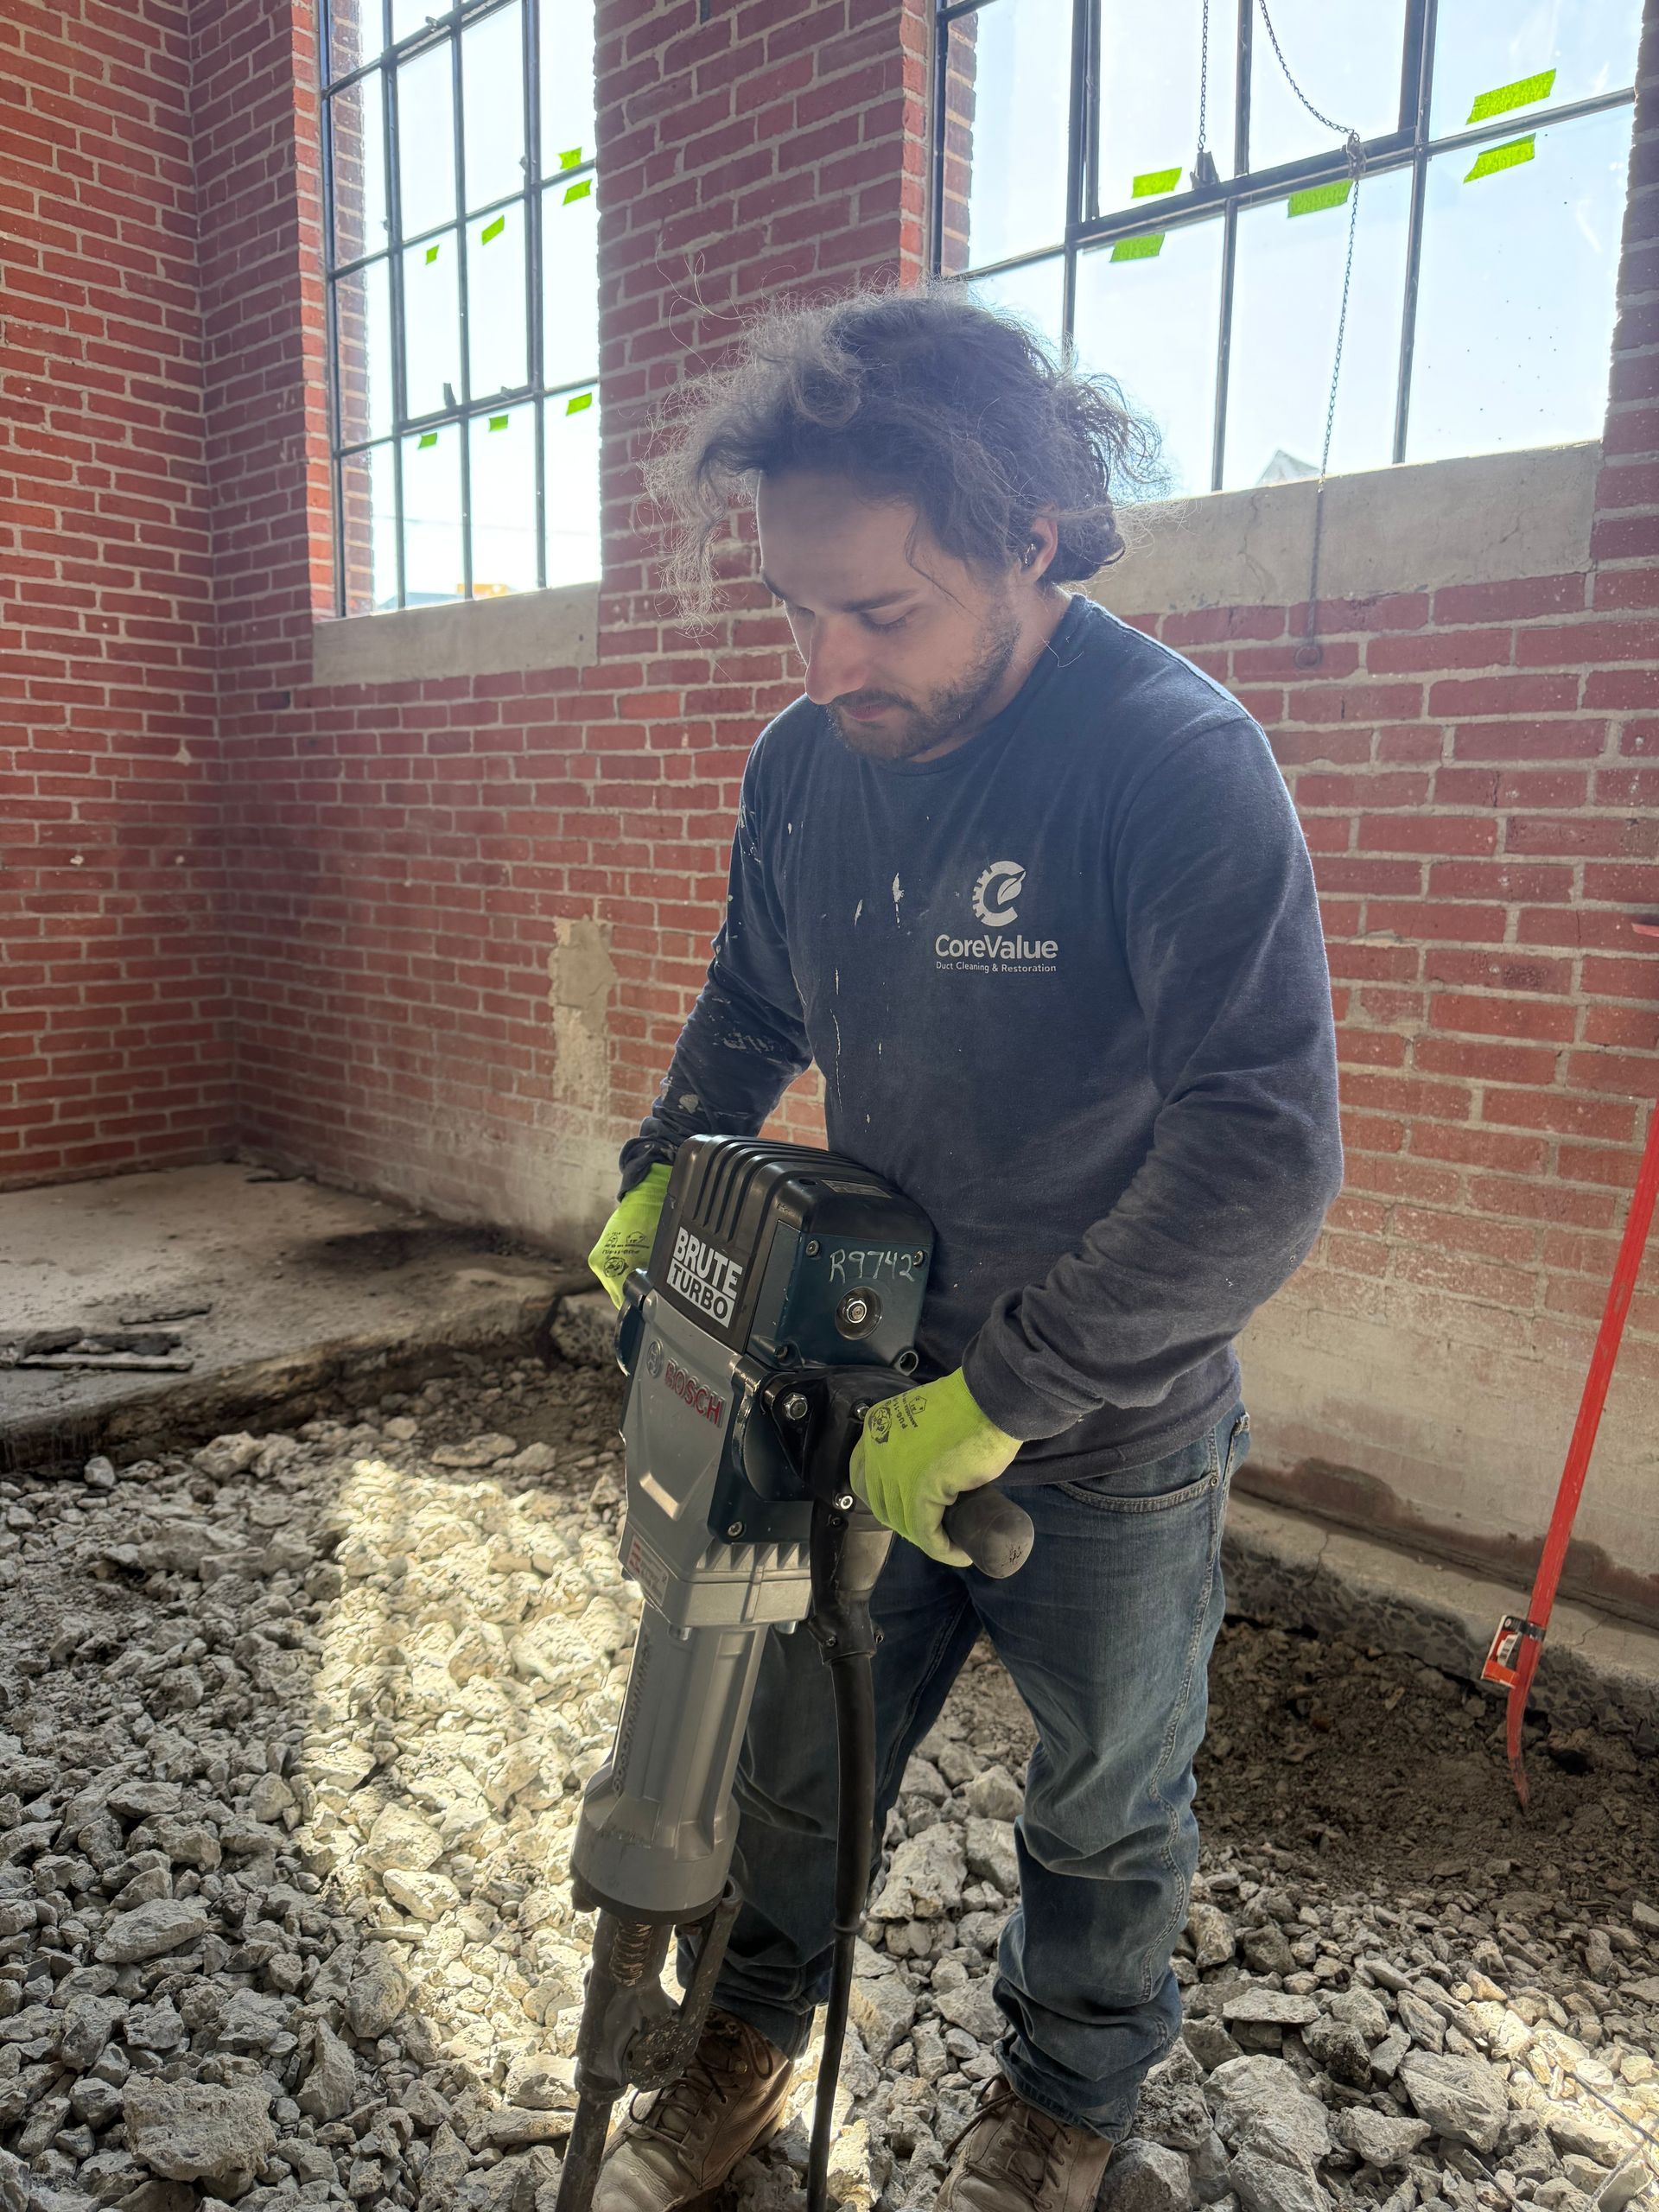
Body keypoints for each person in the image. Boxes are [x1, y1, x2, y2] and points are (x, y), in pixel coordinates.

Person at [583, 283, 1343, 2212]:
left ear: (1028, 535)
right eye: (794, 608)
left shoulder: (1174, 761)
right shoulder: (805, 760)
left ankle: (1065, 2100)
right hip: (852, 1375)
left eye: (882, 610)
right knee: (791, 1753)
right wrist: (667, 1168)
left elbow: (1262, 1150)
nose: (831, 659)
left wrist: (1004, 1394)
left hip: (1100, 1430)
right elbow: (756, 995)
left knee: (1103, 1797)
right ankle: (747, 2033)